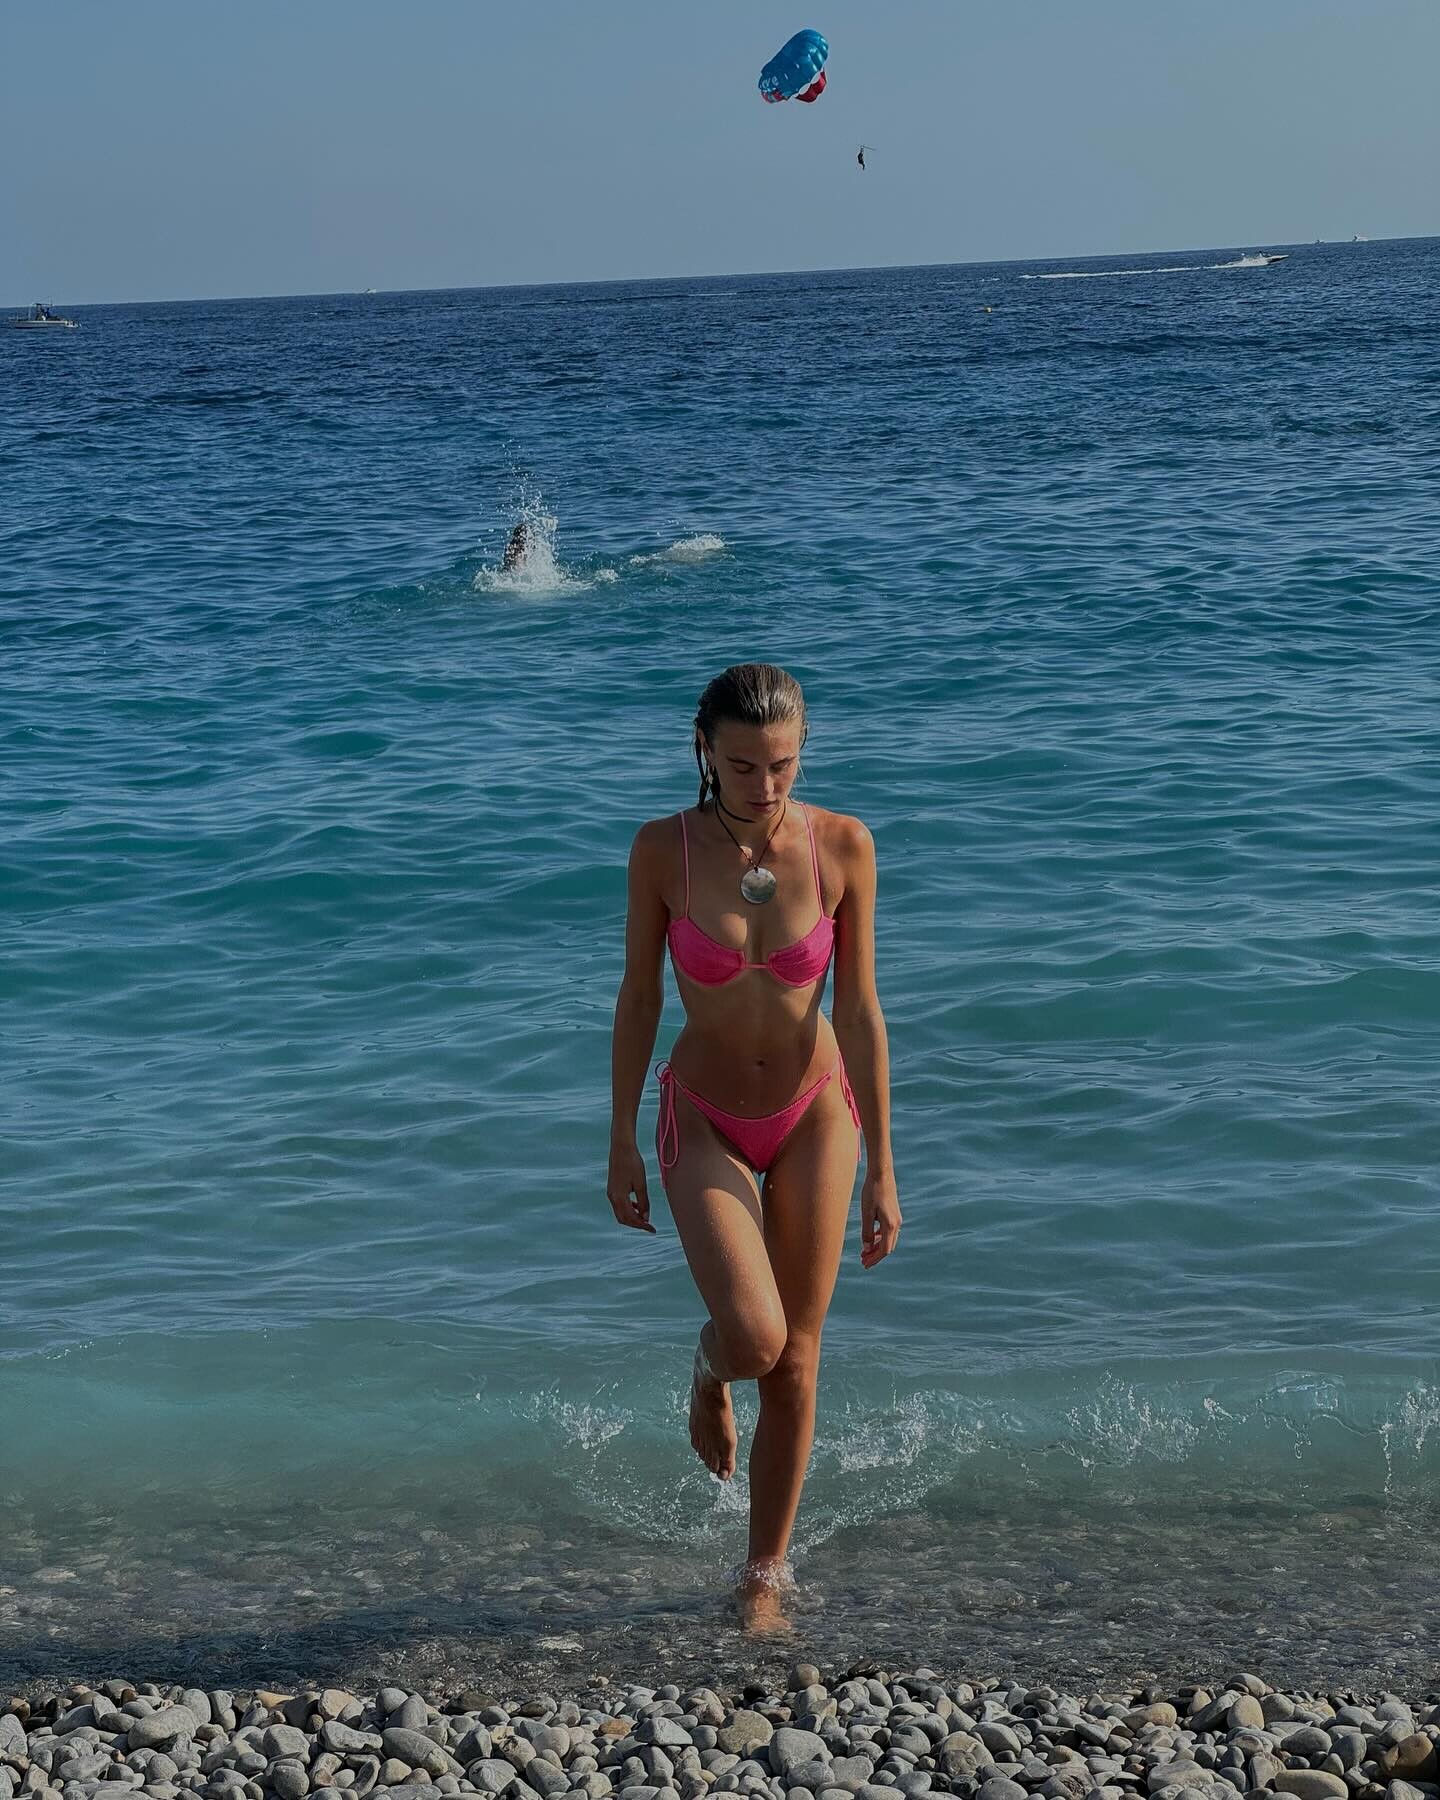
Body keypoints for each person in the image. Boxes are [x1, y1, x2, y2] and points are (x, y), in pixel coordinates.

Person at [607, 662, 901, 1634]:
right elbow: (639, 998)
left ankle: (763, 1577)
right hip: (705, 1115)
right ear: (704, 751)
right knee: (754, 1339)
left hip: (817, 1111)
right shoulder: (663, 850)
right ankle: (707, 1371)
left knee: (798, 1362)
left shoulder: (844, 845)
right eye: (741, 767)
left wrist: (885, 1167)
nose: (764, 786)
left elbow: (860, 1012)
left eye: (781, 765)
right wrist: (620, 1139)